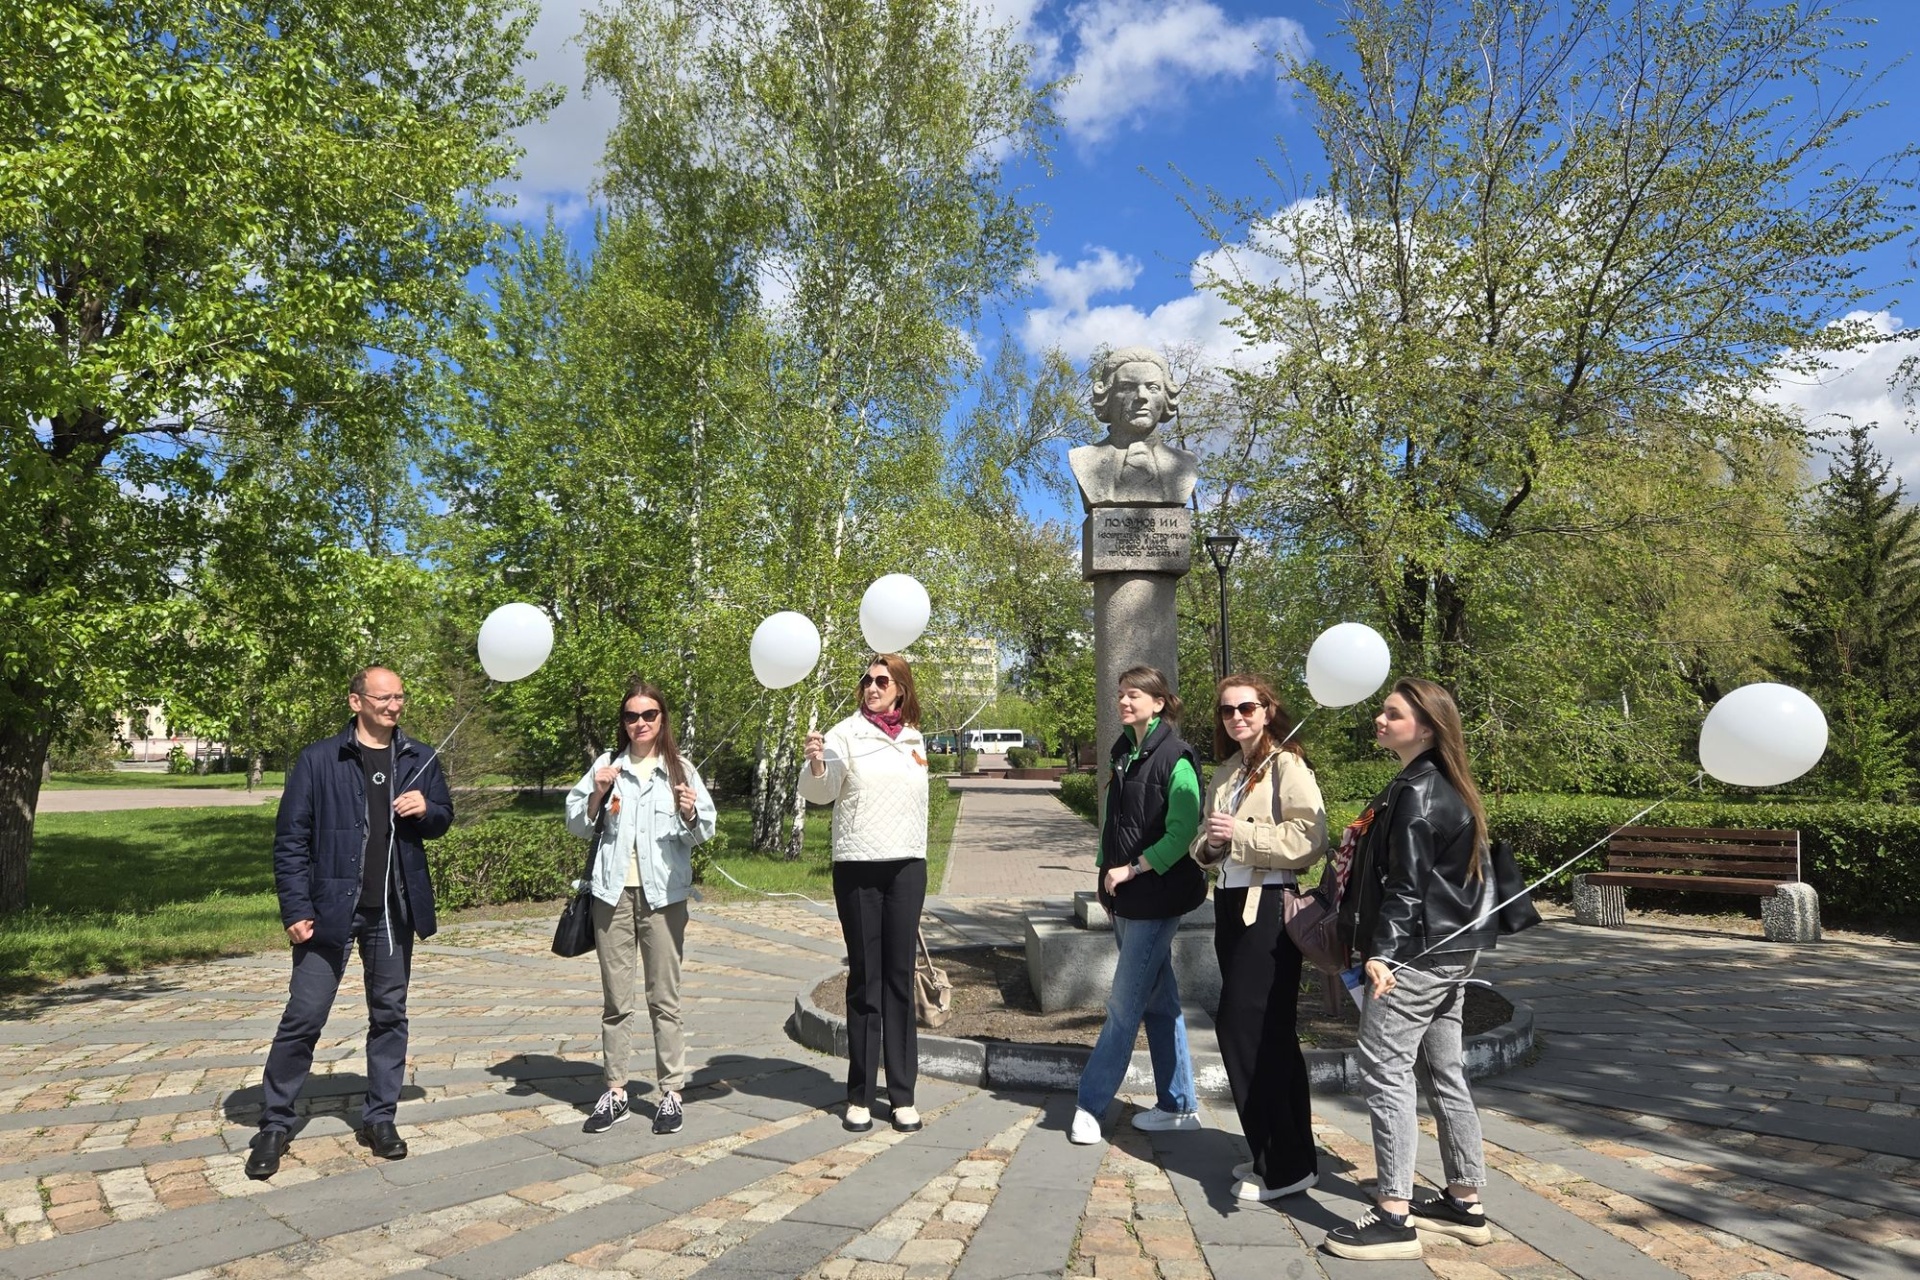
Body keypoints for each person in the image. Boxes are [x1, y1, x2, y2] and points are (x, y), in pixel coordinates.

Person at [246, 666, 454, 1181]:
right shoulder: (320, 759)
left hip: (392, 911)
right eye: (384, 697)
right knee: (304, 1016)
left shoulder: (419, 756)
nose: (394, 706)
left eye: (400, 697)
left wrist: (427, 808)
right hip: (328, 912)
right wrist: (296, 909)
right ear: (356, 701)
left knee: (389, 1015)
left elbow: (443, 820)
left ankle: (380, 1117)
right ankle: (275, 1123)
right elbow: (291, 840)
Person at [1324, 678, 1499, 1261]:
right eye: (1383, 710)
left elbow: (1406, 884)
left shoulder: (1420, 791)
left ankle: (1394, 1215)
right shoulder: (1435, 782)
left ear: (1425, 728)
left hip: (1415, 953)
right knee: (1442, 1071)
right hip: (1447, 950)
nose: (1379, 718)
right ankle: (1465, 1202)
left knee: (1386, 1071)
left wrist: (1383, 952)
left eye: (1392, 713)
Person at [1191, 675, 1326, 1201]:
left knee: (1245, 1029)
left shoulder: (1287, 765)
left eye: (1247, 707)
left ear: (1268, 710)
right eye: (1227, 711)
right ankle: (1288, 1155)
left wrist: (1240, 835)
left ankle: (1284, 1166)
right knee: (1271, 1034)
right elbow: (1207, 839)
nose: (1236, 717)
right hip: (1229, 905)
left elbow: (1310, 838)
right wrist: (1210, 846)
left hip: (1267, 907)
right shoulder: (1229, 771)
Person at [566, 679, 717, 1137]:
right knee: (616, 1001)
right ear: (624, 722)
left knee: (664, 999)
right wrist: (596, 794)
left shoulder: (680, 770)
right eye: (631, 716)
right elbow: (575, 823)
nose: (640, 723)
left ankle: (671, 1091)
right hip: (611, 896)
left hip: (663, 898)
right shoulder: (607, 765)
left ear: (662, 719)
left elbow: (705, 831)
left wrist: (690, 812)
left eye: (649, 714)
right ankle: (616, 1092)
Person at [1071, 665, 1207, 1145]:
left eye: (1135, 695)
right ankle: (1178, 1104)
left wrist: (1132, 869)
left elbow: (1183, 833)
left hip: (1155, 896)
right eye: (1121, 694)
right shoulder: (1125, 752)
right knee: (1159, 1000)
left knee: (1123, 1004)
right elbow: (1115, 822)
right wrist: (1104, 871)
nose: (1124, 702)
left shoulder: (1176, 758)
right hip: (1125, 894)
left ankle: (1090, 1104)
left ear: (1159, 702)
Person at [800, 653, 931, 1134]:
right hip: (858, 868)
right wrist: (817, 764)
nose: (872, 687)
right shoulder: (845, 733)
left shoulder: (914, 737)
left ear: (900, 689)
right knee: (865, 980)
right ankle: (858, 1094)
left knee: (899, 979)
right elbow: (820, 793)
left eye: (882, 681)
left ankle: (902, 1096)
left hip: (908, 866)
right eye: (867, 680)